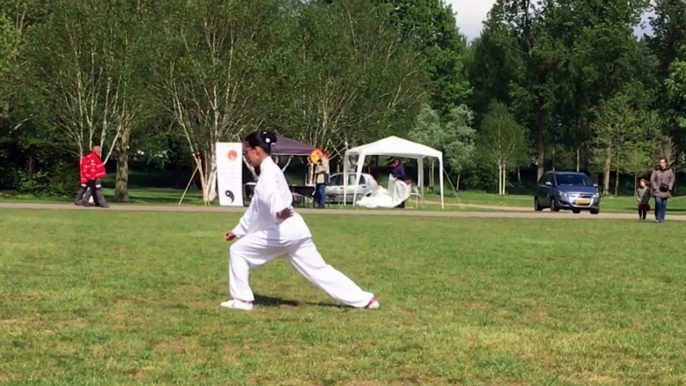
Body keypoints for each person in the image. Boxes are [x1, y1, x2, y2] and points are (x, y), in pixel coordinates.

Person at [221, 131, 378, 311]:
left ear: (256, 151)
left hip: (282, 231)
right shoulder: (271, 171)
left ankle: (242, 300)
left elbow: (272, 196)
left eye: (247, 151)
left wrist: (279, 211)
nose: (246, 156)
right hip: (296, 229)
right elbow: (256, 208)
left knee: (238, 251)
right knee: (320, 270)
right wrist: (238, 231)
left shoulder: (268, 174)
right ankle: (365, 300)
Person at [650, 157, 675, 223]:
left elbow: (672, 179)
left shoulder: (669, 170)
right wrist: (655, 187)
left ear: (666, 163)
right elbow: (652, 179)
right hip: (657, 190)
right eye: (660, 162)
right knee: (658, 203)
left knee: (663, 205)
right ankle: (657, 217)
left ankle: (662, 218)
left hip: (665, 190)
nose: (662, 164)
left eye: (663, 162)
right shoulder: (656, 170)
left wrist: (669, 187)